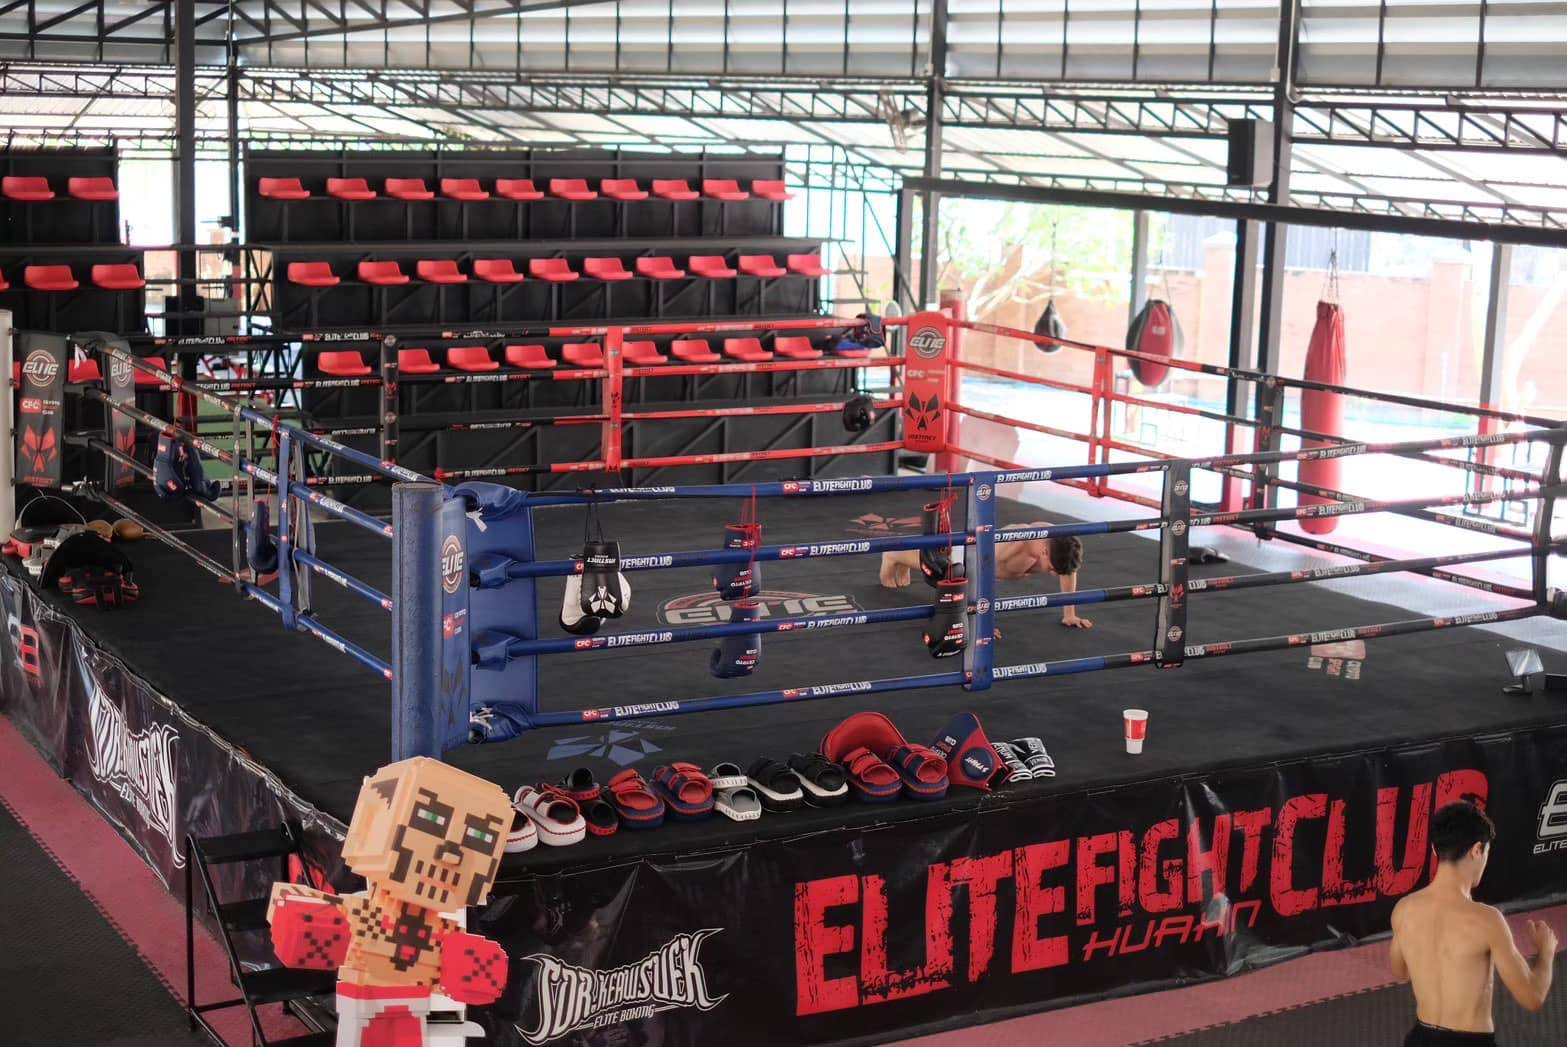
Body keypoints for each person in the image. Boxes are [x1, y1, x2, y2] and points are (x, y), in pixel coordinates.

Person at [1390, 801, 1557, 1046]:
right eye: (1486, 852)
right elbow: (1532, 997)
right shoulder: (1487, 920)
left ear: (1435, 850)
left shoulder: (1403, 909)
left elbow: (1401, 972)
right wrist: (1546, 951)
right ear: (1477, 850)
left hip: (1420, 1038)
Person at [879, 525, 1092, 629]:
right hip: (973, 557)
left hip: (993, 566)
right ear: (1044, 552)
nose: (1053, 573)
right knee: (943, 571)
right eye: (1051, 568)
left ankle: (903, 558)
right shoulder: (1017, 541)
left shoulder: (1062, 543)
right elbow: (979, 570)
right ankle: (892, 555)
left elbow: (1068, 570)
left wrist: (1069, 614)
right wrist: (980, 620)